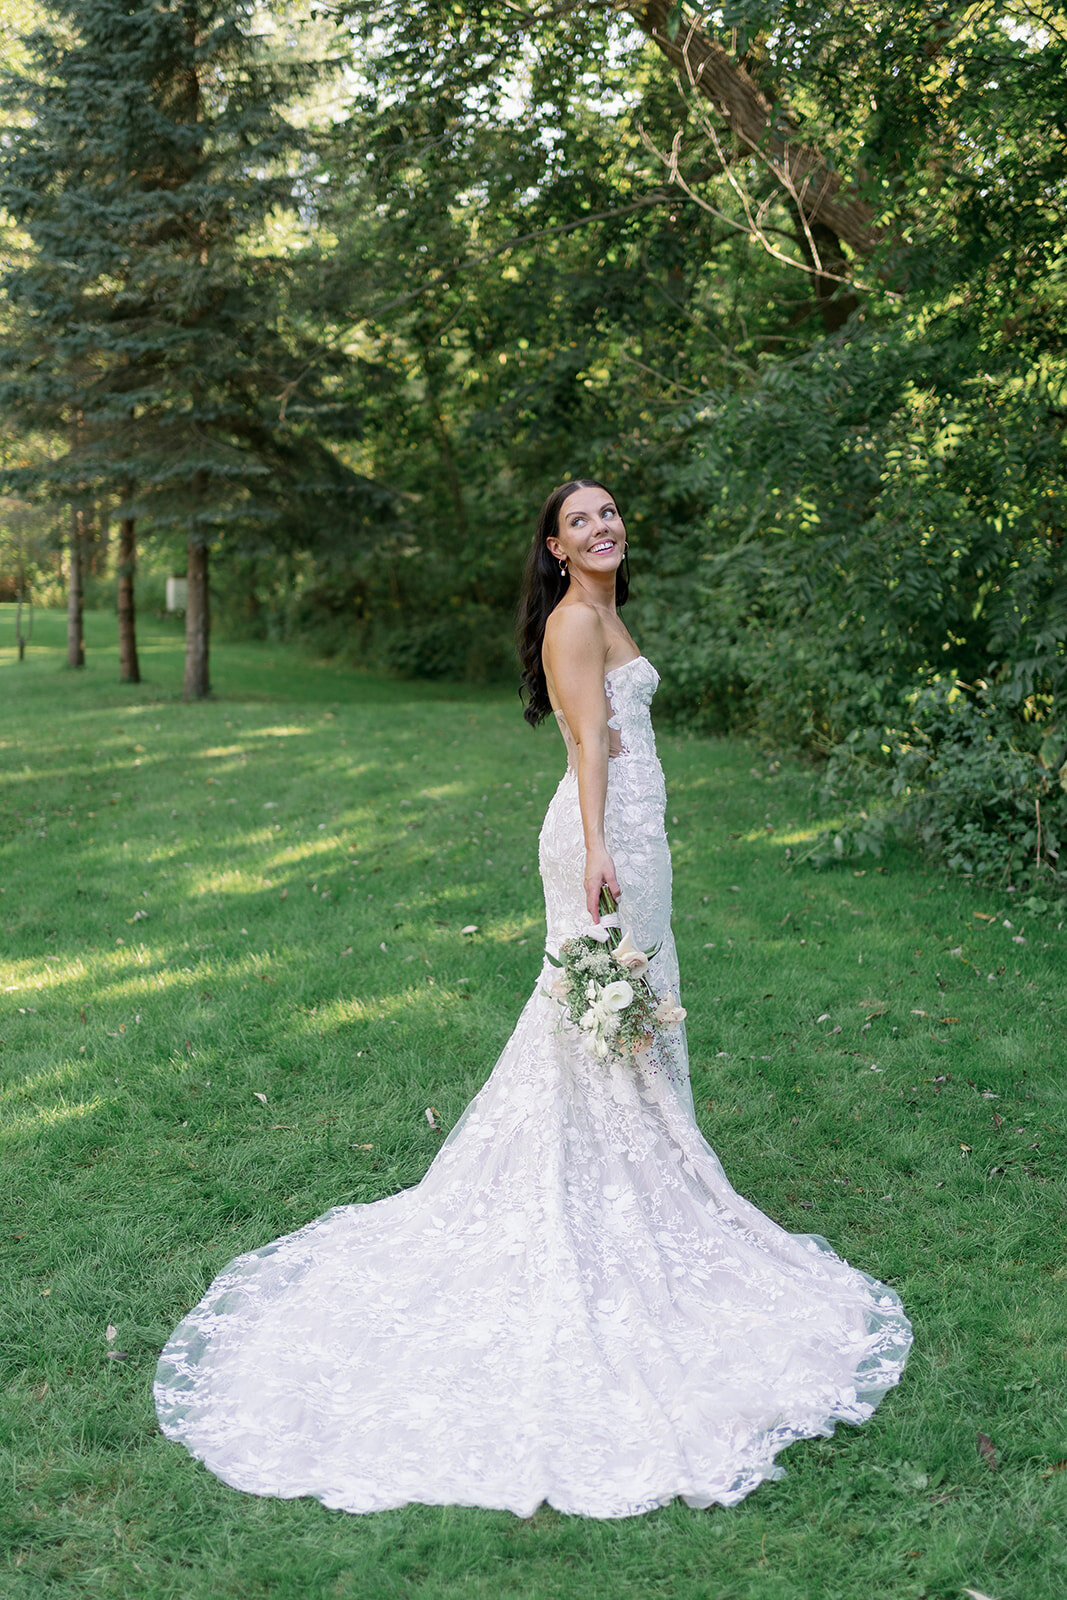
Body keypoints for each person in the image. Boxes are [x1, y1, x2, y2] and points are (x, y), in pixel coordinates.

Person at [154, 479, 912, 1518]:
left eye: (609, 513)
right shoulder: (571, 619)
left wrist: (629, 842)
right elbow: (583, 744)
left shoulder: (606, 609)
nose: (602, 527)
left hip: (636, 839)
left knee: (627, 1019)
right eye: (581, 520)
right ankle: (606, 1189)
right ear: (553, 547)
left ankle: (646, 1164)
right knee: (603, 1019)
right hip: (602, 844)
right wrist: (601, 850)